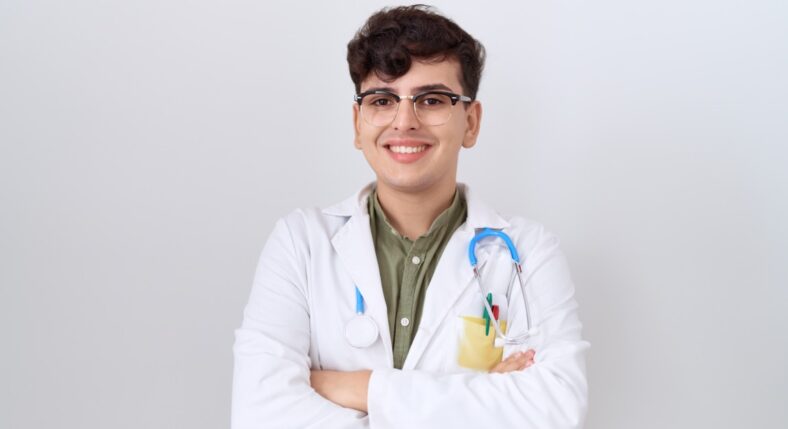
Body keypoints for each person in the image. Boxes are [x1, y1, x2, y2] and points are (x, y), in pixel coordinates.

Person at [231, 5, 588, 428]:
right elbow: (260, 414)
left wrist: (358, 387)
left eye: (432, 100)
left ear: (471, 122)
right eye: (382, 100)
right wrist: (479, 401)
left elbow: (557, 412)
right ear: (358, 121)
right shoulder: (300, 243)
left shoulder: (528, 253)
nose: (404, 121)